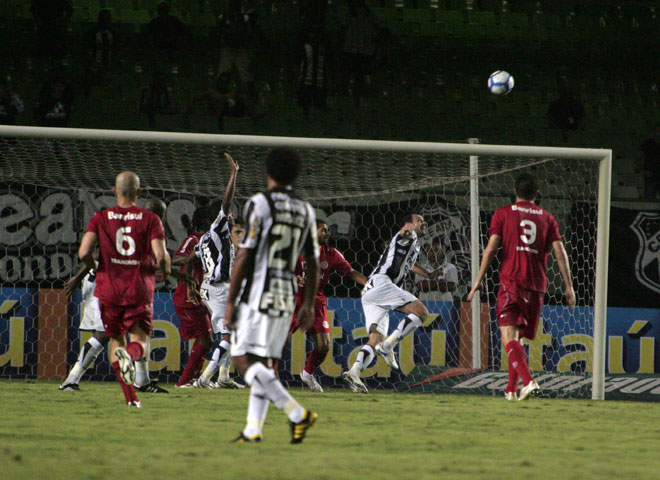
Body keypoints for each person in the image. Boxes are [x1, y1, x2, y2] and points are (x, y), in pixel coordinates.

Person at [225, 147, 320, 443]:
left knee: (241, 360)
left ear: (268, 172)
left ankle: (296, 413)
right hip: (287, 291)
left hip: (259, 290)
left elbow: (245, 254)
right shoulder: (305, 208)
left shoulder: (260, 203)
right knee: (264, 362)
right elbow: (314, 262)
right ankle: (253, 429)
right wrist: (307, 303)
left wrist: (230, 299)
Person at [467, 173, 576, 401]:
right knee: (518, 341)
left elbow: (491, 249)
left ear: (515, 191)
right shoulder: (548, 218)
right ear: (537, 194)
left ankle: (529, 381)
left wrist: (478, 279)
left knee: (509, 339)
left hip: (511, 282)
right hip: (537, 286)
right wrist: (568, 286)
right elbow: (559, 252)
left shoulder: (503, 213)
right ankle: (510, 390)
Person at [78, 172, 171, 408]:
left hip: (109, 289)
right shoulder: (150, 219)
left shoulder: (100, 218)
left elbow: (83, 253)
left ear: (114, 190)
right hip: (138, 288)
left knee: (115, 341)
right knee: (140, 340)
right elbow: (161, 256)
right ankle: (130, 355)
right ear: (138, 193)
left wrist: (97, 267)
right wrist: (165, 270)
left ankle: (132, 399)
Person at [59, 198, 169, 394]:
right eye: (161, 214)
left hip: (119, 284)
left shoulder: (136, 225)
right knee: (103, 335)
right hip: (105, 284)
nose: (161, 219)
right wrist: (78, 277)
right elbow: (99, 254)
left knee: (140, 331)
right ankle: (71, 379)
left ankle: (142, 382)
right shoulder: (145, 227)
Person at [343, 213, 435, 394]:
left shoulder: (415, 246)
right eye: (419, 220)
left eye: (424, 220)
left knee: (375, 338)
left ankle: (354, 372)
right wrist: (404, 233)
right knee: (421, 312)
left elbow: (408, 265)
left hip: (370, 291)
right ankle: (389, 345)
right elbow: (402, 236)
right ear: (408, 224)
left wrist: (425, 273)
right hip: (382, 283)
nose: (423, 223)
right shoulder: (408, 237)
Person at [289, 219, 367, 392]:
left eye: (328, 230)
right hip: (293, 300)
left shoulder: (331, 254)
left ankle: (307, 373)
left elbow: (351, 271)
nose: (327, 233)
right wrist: (293, 278)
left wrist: (368, 285)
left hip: (316, 301)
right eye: (323, 230)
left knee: (324, 345)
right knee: (280, 342)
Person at [193, 153, 245, 389]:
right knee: (229, 336)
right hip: (219, 288)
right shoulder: (218, 228)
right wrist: (233, 175)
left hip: (210, 288)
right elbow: (226, 204)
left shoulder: (204, 240)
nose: (231, 216)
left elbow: (191, 256)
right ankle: (205, 379)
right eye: (229, 215)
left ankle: (222, 376)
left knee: (233, 332)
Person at [172, 204, 213, 388]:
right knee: (205, 339)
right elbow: (176, 259)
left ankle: (194, 380)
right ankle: (184, 381)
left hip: (202, 297)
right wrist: (196, 257)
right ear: (205, 220)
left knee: (207, 340)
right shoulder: (193, 239)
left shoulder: (212, 241)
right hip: (187, 296)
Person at [415, 238, 458, 303]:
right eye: (430, 250)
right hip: (425, 303)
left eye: (436, 250)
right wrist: (440, 282)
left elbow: (452, 287)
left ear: (442, 251)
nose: (432, 253)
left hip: (445, 303)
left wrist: (429, 284)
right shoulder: (421, 268)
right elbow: (420, 286)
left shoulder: (450, 267)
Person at [637, 124, 660, 200]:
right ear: (654, 132)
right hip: (651, 178)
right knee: (649, 201)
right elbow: (638, 158)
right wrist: (643, 171)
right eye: (658, 131)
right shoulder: (647, 144)